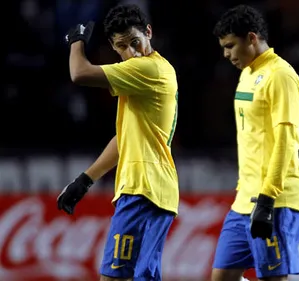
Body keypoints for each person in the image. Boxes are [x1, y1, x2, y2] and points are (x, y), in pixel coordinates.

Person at [56, 4, 179, 281]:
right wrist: (85, 180)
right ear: (113, 47)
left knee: (114, 278)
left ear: (149, 32)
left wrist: (76, 40)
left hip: (144, 190)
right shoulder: (144, 76)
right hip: (153, 190)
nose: (131, 52)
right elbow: (124, 138)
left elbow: (79, 73)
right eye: (122, 46)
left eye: (135, 42)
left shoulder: (148, 69)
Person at [211, 5, 299, 281]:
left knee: (272, 278)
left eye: (231, 45)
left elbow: (286, 140)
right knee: (222, 276)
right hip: (244, 200)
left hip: (276, 200)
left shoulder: (281, 76)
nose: (226, 54)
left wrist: (268, 198)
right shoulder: (246, 73)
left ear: (252, 38)